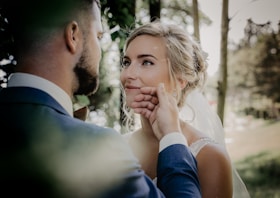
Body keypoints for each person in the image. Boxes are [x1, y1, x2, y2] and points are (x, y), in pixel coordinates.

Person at [0, 1, 202, 197]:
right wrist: (173, 137)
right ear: (73, 35)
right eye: (98, 36)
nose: (127, 74)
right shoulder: (96, 146)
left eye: (147, 62)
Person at [121, 20, 251, 198]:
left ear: (180, 80)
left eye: (147, 62)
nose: (127, 74)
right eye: (126, 62)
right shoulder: (117, 146)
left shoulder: (209, 156)